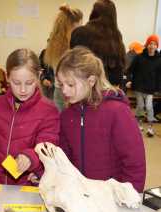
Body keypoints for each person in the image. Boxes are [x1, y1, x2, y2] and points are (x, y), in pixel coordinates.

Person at [57, 46, 146, 193]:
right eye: (61, 84)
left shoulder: (117, 112)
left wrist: (131, 196)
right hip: (81, 196)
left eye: (70, 84)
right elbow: (64, 160)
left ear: (91, 81)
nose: (64, 90)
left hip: (114, 197)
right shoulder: (67, 116)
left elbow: (134, 162)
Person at [0, 48, 60, 185]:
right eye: (16, 83)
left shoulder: (48, 111)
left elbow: (48, 146)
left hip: (27, 186)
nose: (23, 90)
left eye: (29, 83)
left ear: (39, 76)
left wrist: (30, 157)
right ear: (7, 77)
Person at [70, 0, 126, 88]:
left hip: (84, 87)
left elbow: (72, 63)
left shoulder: (79, 33)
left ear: (93, 13)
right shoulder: (116, 37)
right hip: (108, 89)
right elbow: (118, 73)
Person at [44, 3, 83, 110]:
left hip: (59, 90)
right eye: (80, 23)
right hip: (71, 92)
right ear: (73, 24)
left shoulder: (54, 43)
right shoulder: (72, 44)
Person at [128, 35, 161, 136]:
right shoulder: (139, 57)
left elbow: (159, 75)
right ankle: (138, 124)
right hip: (139, 86)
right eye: (150, 44)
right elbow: (130, 70)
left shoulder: (159, 59)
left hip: (150, 87)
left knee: (149, 106)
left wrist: (158, 87)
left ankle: (150, 127)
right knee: (141, 106)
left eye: (154, 44)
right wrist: (129, 80)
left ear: (157, 46)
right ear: (147, 45)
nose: (152, 46)